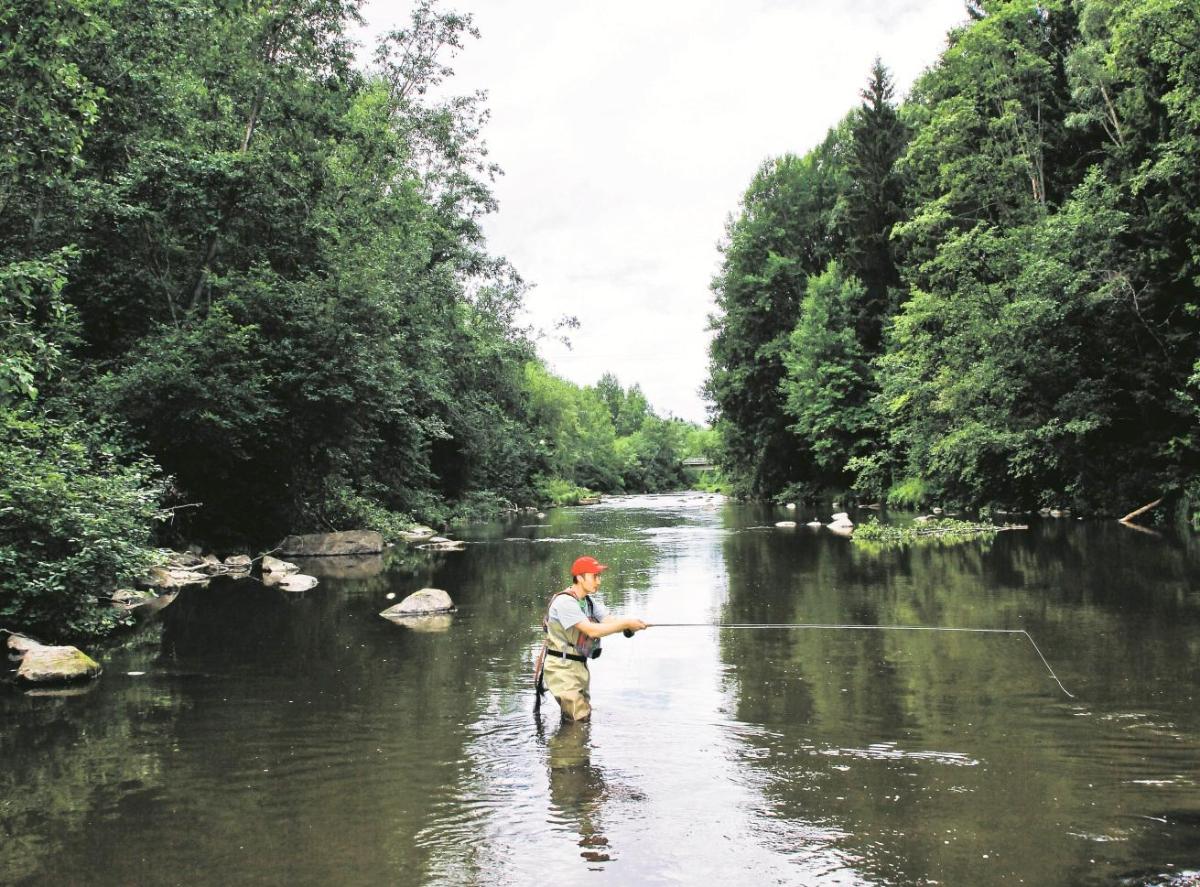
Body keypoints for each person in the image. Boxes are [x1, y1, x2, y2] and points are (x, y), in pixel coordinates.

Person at [534, 555, 648, 720]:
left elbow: (609, 622)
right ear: (580, 578)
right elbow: (592, 631)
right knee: (578, 720)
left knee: (581, 720)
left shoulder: (588, 602)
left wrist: (629, 626)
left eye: (599, 576)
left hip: (579, 668)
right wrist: (625, 624)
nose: (599, 581)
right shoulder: (565, 602)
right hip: (561, 669)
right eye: (594, 576)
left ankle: (568, 745)